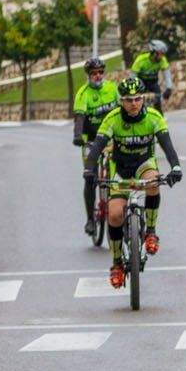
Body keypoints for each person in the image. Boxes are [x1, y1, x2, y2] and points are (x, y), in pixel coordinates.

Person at [83, 77, 183, 288]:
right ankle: (117, 263)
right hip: (120, 170)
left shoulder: (154, 117)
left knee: (154, 182)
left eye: (138, 99)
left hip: (143, 164)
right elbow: (97, 147)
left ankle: (151, 232)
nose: (134, 104)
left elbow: (168, 146)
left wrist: (175, 167)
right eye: (129, 100)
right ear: (122, 101)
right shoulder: (112, 119)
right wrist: (89, 169)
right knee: (115, 214)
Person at [72, 57, 120, 238]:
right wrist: (77, 136)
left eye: (100, 72)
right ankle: (90, 219)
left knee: (117, 173)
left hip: (110, 137)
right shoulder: (83, 94)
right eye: (94, 73)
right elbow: (79, 117)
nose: (98, 76)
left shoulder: (112, 88)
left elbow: (122, 109)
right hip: (90, 139)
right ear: (88, 75)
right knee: (90, 177)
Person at [129, 40, 173, 108]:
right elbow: (133, 77)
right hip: (141, 83)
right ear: (153, 52)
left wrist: (169, 88)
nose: (162, 56)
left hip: (153, 83)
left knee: (158, 103)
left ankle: (159, 115)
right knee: (139, 104)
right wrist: (133, 90)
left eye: (163, 54)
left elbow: (167, 75)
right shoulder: (141, 60)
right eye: (160, 53)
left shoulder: (162, 60)